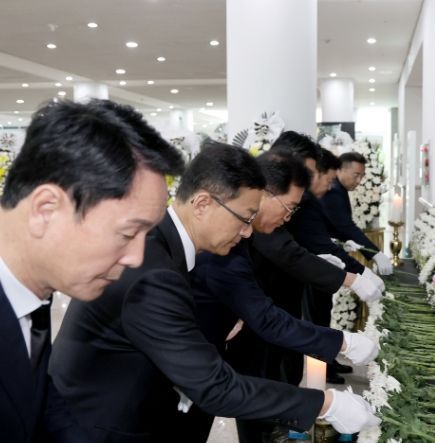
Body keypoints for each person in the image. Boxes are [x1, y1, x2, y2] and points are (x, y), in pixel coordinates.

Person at [49, 142, 379, 442]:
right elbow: (215, 386)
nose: (247, 232)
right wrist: (326, 403)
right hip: (101, 424)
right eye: (244, 218)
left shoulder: (161, 241)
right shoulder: (153, 270)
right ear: (203, 203)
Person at [0, 99, 185, 443]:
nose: (136, 258)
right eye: (128, 234)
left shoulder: (33, 289)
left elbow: (39, 401)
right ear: (45, 209)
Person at [178, 148, 379, 442]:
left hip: (209, 363)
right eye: (289, 207)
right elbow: (266, 317)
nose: (287, 218)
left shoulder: (232, 237)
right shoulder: (220, 249)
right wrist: (340, 350)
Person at [287, 148, 382, 384]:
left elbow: (332, 230)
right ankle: (323, 368)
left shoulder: (330, 192)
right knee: (316, 318)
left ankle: (327, 363)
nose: (359, 181)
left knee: (322, 314)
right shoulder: (324, 195)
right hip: (313, 266)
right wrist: (365, 267)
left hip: (321, 264)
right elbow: (342, 228)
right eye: (356, 175)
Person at [320, 152, 393, 275]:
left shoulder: (339, 188)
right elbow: (347, 227)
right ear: (340, 170)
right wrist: (375, 254)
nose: (359, 181)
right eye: (356, 175)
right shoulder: (334, 190)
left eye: (362, 176)